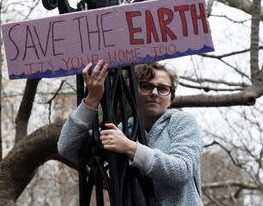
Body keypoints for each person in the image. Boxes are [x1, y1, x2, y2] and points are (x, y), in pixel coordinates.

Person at [58, 60, 203, 205]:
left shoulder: (181, 121)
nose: (154, 93)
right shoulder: (123, 130)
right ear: (133, 92)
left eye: (163, 89)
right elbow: (67, 147)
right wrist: (92, 99)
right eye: (146, 86)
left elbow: (182, 171)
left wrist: (130, 147)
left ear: (171, 99)